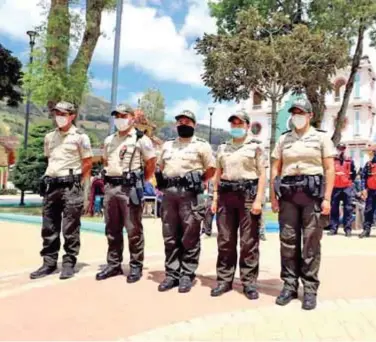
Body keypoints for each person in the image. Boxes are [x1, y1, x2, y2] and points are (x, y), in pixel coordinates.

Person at [270, 98, 335, 310]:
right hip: (288, 195)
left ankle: (309, 289)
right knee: (287, 241)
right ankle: (289, 285)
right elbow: (275, 168)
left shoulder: (321, 138)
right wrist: (273, 196)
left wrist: (326, 198)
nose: (297, 116)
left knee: (310, 243)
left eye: (301, 112)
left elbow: (329, 169)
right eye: (294, 112)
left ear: (310, 115)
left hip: (312, 196)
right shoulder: (284, 139)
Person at [30, 101, 93, 280]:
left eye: (63, 114)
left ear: (72, 116)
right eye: (56, 113)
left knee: (70, 227)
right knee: (49, 225)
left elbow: (87, 163)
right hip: (52, 186)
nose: (59, 116)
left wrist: (79, 184)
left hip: (71, 186)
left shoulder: (81, 137)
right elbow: (50, 159)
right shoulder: (49, 137)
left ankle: (68, 263)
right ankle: (49, 263)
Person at [155, 110, 216, 293]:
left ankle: (187, 274)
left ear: (194, 124)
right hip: (170, 194)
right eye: (180, 121)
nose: (183, 124)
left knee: (190, 236)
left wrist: (198, 181)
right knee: (170, 235)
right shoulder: (167, 146)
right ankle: (172, 274)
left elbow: (211, 169)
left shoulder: (201, 145)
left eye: (187, 122)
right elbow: (159, 166)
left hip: (190, 195)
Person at [96, 104, 156, 283]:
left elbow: (151, 163)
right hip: (111, 188)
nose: (120, 119)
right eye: (117, 115)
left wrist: (141, 181)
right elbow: (106, 160)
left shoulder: (140, 139)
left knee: (133, 229)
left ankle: (136, 266)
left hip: (130, 189)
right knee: (112, 229)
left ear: (131, 118)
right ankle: (113, 265)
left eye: (123, 115)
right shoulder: (109, 140)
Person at [210, 111, 266, 300]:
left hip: (248, 196)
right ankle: (224, 280)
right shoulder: (223, 148)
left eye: (239, 124)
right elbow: (217, 174)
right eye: (233, 124)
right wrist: (215, 197)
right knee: (225, 240)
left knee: (248, 242)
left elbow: (262, 174)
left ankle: (249, 283)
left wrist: (259, 199)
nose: (236, 127)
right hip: (226, 195)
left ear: (247, 126)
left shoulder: (256, 147)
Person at [328, 143, 356, 237]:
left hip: (346, 187)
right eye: (339, 148)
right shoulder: (332, 160)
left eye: (343, 148)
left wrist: (349, 183)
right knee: (334, 208)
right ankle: (333, 228)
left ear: (345, 149)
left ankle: (347, 229)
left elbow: (353, 174)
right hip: (335, 187)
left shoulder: (350, 161)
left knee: (348, 209)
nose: (341, 150)